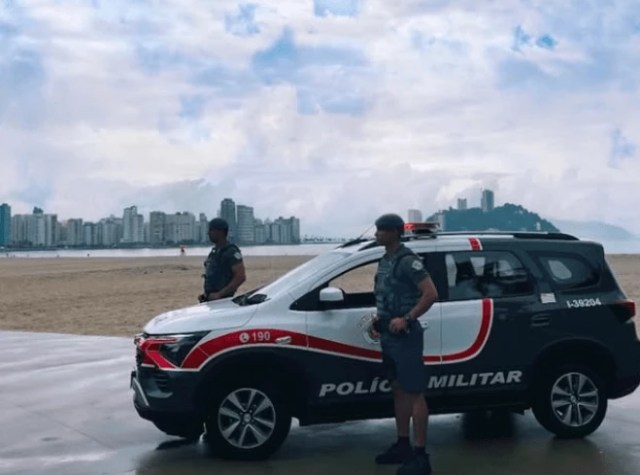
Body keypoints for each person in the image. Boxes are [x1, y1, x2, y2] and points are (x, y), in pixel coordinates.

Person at [370, 213, 439, 475]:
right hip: (389, 334)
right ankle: (403, 444)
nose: (377, 234)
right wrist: (382, 318)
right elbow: (387, 293)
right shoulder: (386, 260)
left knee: (414, 392)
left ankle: (421, 456)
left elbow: (431, 293)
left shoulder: (408, 261)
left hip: (405, 335)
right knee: (398, 388)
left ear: (395, 233)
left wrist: (408, 318)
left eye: (382, 230)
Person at [198, 218, 246, 303]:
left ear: (220, 232)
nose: (208, 233)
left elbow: (240, 277)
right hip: (212, 299)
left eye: (211, 230)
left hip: (224, 300)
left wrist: (220, 294)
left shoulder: (230, 251)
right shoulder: (215, 252)